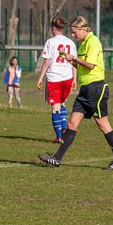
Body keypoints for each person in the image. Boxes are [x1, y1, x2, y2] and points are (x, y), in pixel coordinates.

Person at [39, 16, 113, 170]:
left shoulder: (93, 42)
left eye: (74, 32)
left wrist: (74, 59)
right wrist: (69, 60)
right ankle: (57, 158)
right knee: (72, 123)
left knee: (103, 125)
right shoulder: (82, 44)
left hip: (96, 88)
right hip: (85, 89)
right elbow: (82, 66)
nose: (72, 35)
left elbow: (91, 65)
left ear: (83, 29)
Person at [36, 15, 77, 144]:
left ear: (53, 28)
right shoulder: (71, 43)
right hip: (67, 77)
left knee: (55, 107)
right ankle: (64, 130)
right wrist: (75, 79)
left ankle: (59, 136)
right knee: (62, 103)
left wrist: (40, 78)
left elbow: (46, 62)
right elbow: (74, 62)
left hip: (54, 78)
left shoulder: (50, 42)